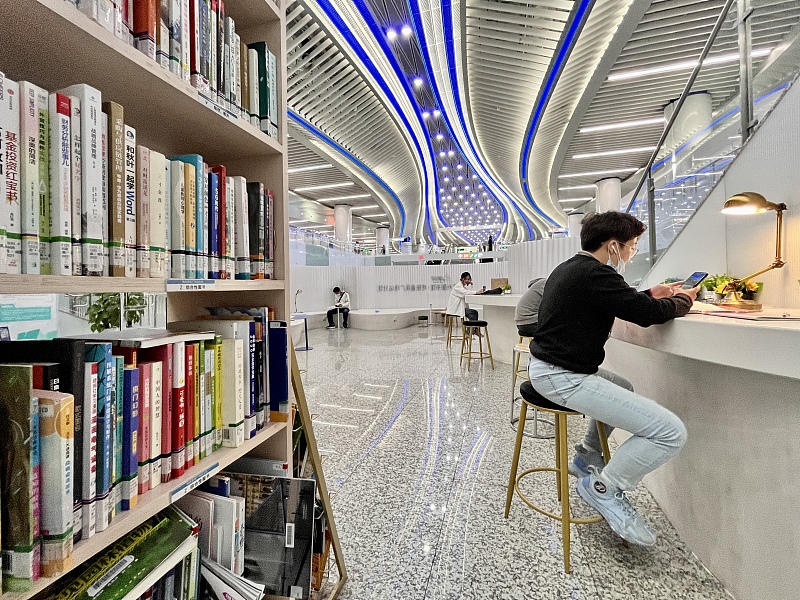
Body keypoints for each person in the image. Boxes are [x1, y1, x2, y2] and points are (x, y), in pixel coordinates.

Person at [528, 211, 699, 547]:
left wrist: (652, 291)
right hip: (564, 377)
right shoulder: (596, 274)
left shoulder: (573, 268)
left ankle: (587, 455)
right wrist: (683, 300)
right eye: (632, 246)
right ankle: (606, 487)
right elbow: (648, 315)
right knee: (670, 432)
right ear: (613, 246)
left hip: (549, 368)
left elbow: (618, 301)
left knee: (623, 387)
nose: (633, 252)